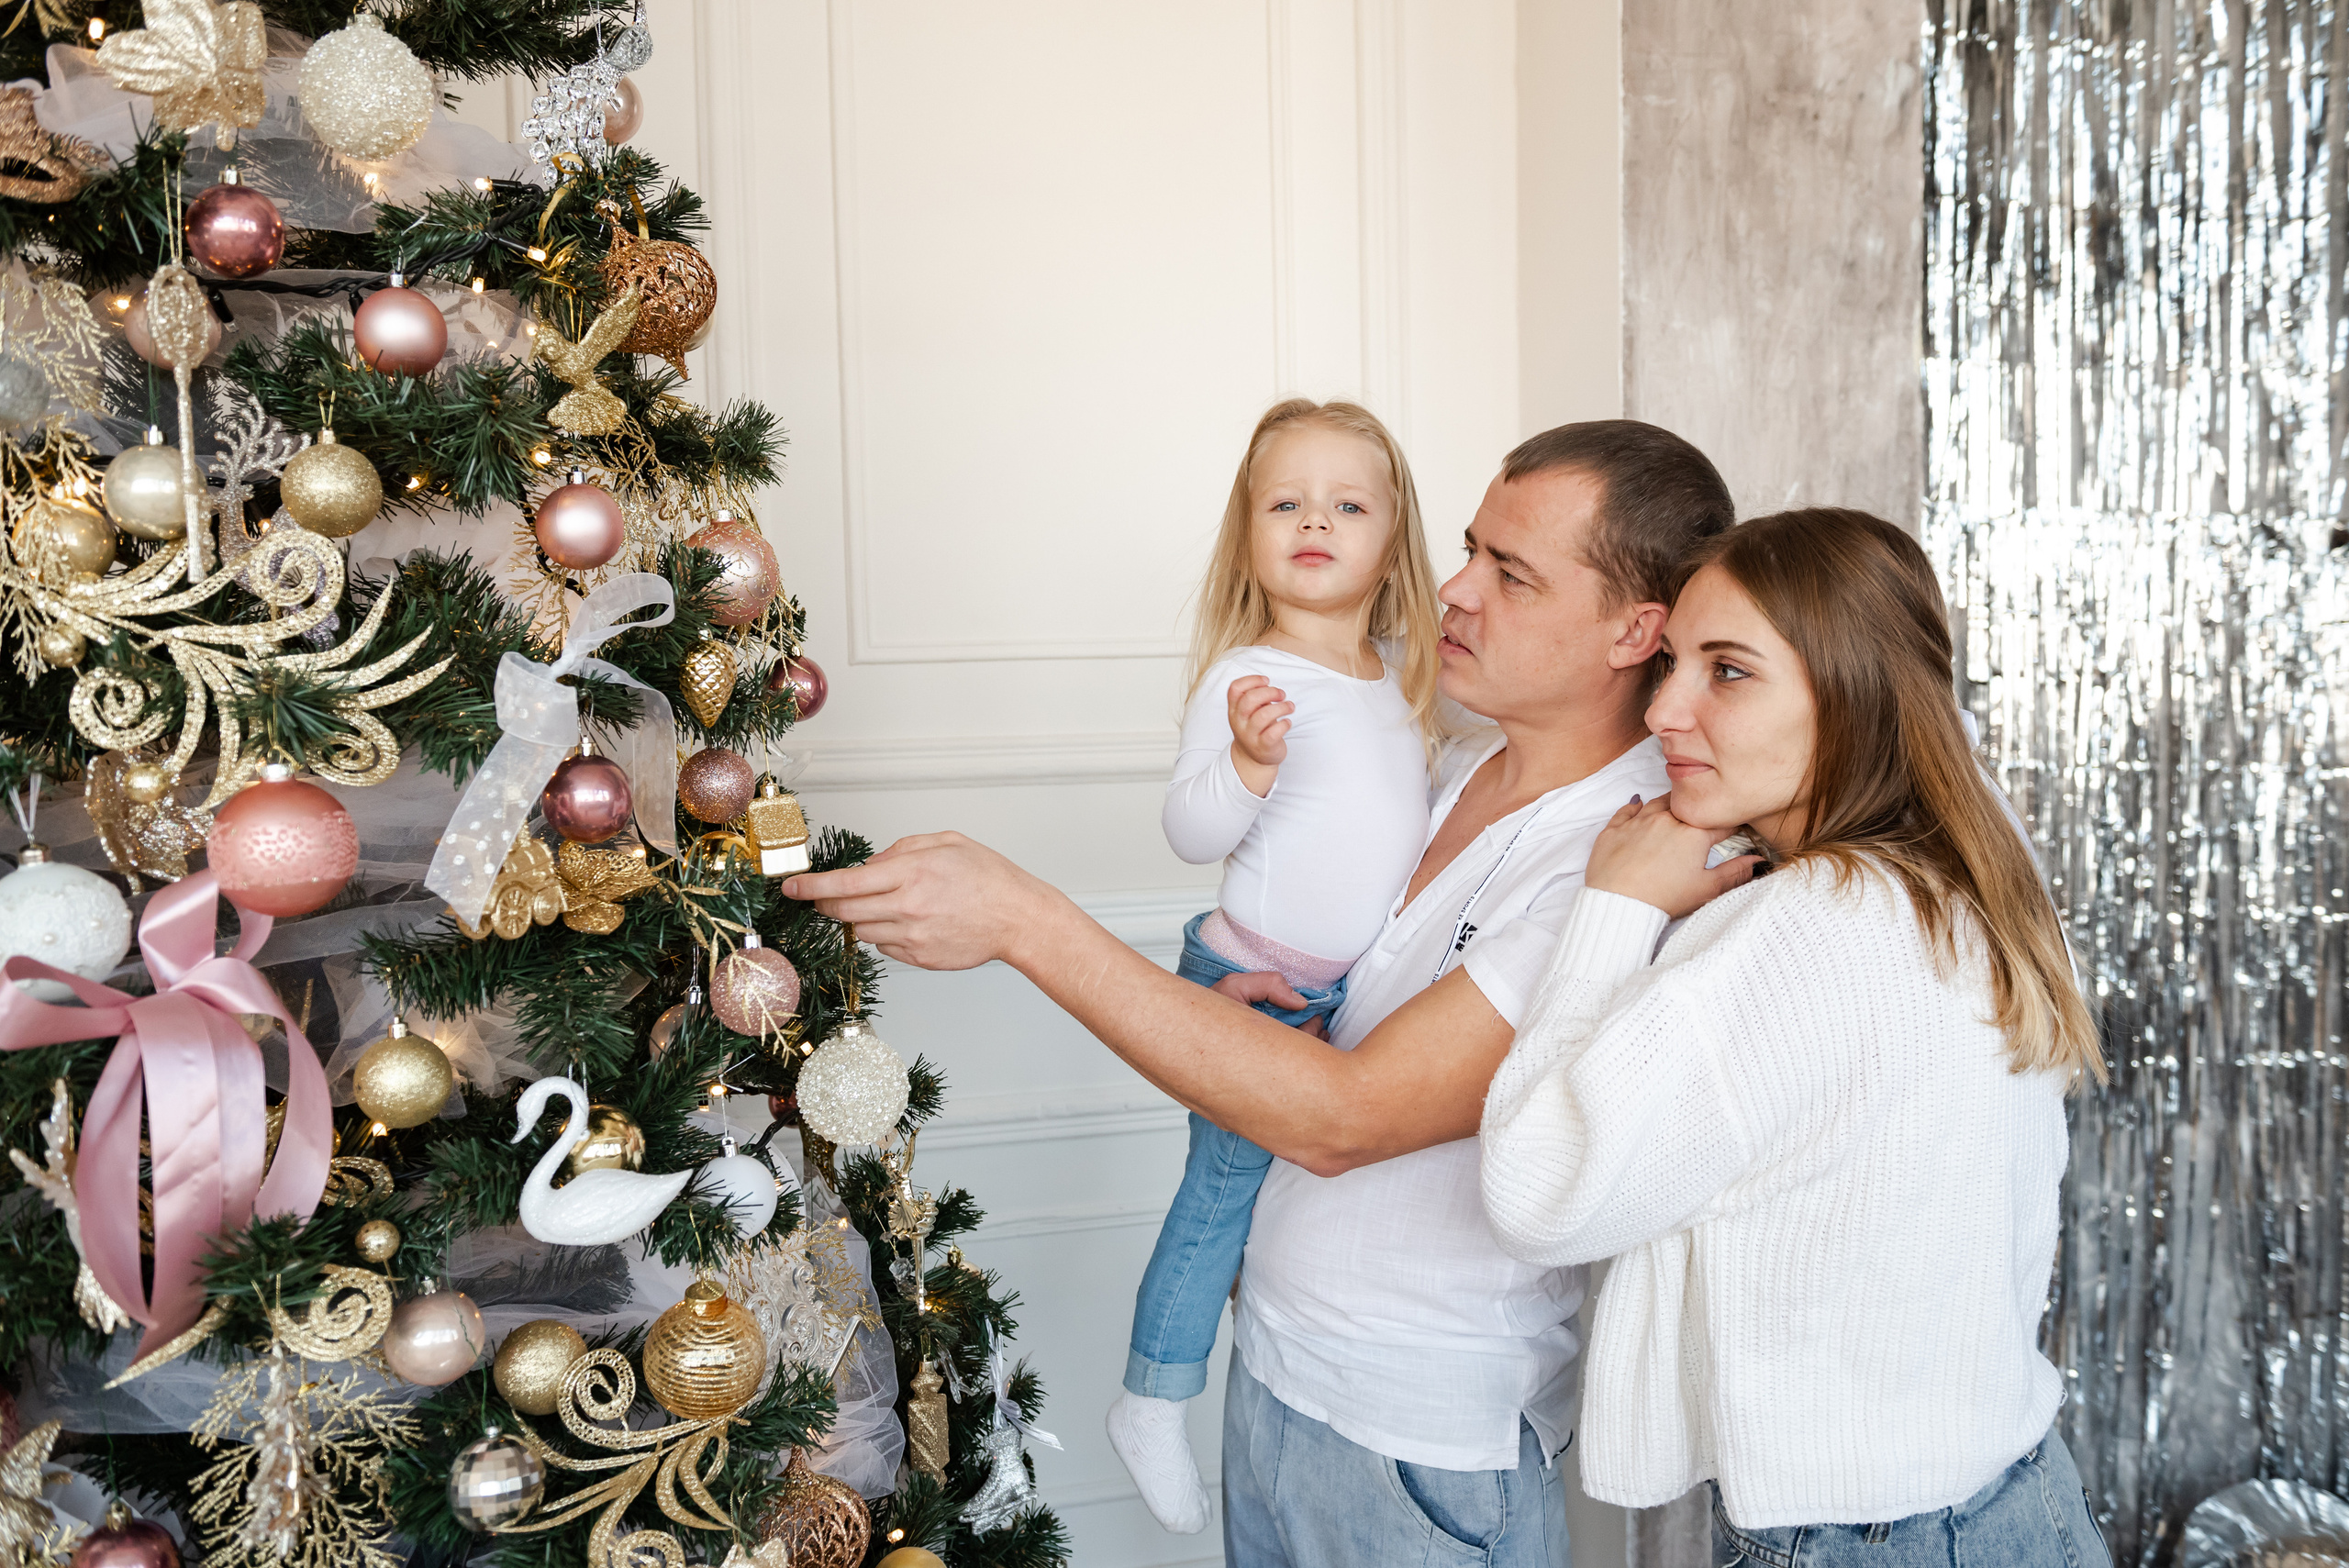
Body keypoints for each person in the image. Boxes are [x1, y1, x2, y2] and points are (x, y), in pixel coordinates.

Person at [786, 420, 1740, 1568]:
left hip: (1420, 1452)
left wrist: (1024, 920)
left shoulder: (1624, 856)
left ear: (1634, 629)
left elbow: (1348, 1116)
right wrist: (1238, 988)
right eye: (1471, 549)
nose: (1453, 587)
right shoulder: (1448, 763)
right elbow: (1327, 966)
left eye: (1510, 572)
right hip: (1274, 1373)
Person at [1478, 507, 2109, 1567]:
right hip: (2018, 1502)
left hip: (1866, 1540)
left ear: (1855, 690)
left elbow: (1536, 1190)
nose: (1664, 710)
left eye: (1728, 672)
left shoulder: (1805, 931)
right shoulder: (1971, 858)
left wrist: (1614, 909)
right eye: (1672, 661)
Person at [1113, 397, 1443, 1535]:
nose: (1316, 521)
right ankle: (1154, 1392)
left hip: (1349, 992)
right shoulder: (1249, 678)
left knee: (1292, 1198)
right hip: (1250, 972)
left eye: (1348, 504)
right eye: (1286, 502)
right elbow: (1190, 833)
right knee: (1218, 1193)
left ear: (1392, 541)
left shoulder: (1404, 677)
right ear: (1246, 534)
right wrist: (1250, 764)